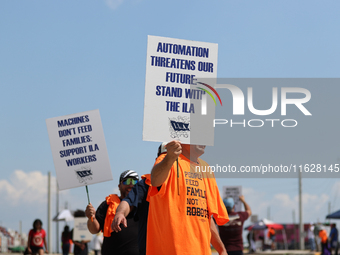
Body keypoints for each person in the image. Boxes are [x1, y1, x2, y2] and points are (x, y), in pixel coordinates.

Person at [146, 140, 229, 255]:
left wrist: (221, 249)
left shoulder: (206, 168)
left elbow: (205, 215)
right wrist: (169, 158)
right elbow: (155, 181)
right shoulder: (168, 160)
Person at [85, 170, 139, 255]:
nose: (131, 184)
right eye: (126, 181)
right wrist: (91, 217)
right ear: (119, 186)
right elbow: (94, 230)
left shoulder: (143, 205)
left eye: (135, 182)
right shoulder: (108, 204)